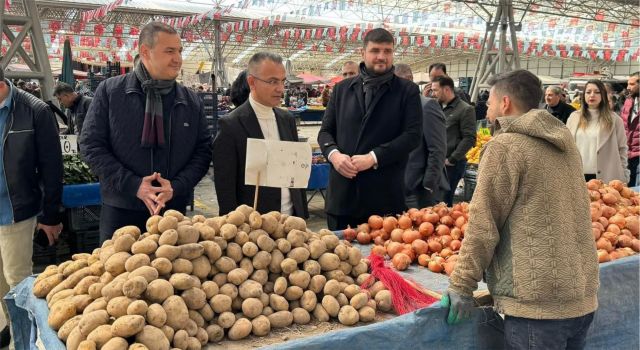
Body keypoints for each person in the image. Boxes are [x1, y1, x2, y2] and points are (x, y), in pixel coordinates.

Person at [443, 70, 599, 349]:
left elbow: (483, 223)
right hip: (581, 297)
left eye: (489, 102)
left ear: (505, 103)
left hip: (537, 307)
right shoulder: (565, 143)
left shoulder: (505, 146)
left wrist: (462, 285)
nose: (487, 110)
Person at [80, 22, 212, 243]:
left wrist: (176, 187)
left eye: (179, 51)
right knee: (118, 274)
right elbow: (91, 146)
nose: (178, 58)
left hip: (172, 213)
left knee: (172, 275)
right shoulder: (111, 92)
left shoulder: (190, 101)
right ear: (145, 52)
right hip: (121, 209)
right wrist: (134, 185)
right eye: (169, 51)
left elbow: (203, 151)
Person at [317, 28, 422, 230]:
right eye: (375, 50)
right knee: (338, 256)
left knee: (381, 258)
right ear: (363, 53)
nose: (381, 57)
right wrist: (334, 155)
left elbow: (412, 136)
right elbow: (325, 131)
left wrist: (373, 158)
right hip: (342, 196)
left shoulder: (406, 91)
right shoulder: (342, 89)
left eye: (387, 51)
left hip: (384, 198)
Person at [0, 69, 63, 347]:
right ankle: (14, 329)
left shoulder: (33, 110)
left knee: (18, 283)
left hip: (16, 211)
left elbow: (52, 167)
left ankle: (22, 342)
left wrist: (50, 215)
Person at [212, 52, 309, 218]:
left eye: (282, 81)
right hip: (254, 227)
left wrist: (301, 213)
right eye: (272, 81)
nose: (280, 88)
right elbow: (225, 187)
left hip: (291, 221)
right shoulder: (231, 125)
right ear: (252, 82)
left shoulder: (287, 119)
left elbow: (294, 172)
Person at [395, 64, 447, 208]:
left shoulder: (427, 106)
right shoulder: (398, 108)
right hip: (401, 187)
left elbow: (437, 149)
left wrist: (428, 185)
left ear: (410, 79)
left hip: (419, 189)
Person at [566, 80, 629, 183]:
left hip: (607, 176)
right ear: (584, 95)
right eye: (588, 92)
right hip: (577, 176)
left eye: (597, 92)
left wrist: (625, 175)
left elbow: (622, 149)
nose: (592, 95)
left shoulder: (615, 120)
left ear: (603, 95)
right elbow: (566, 146)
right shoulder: (574, 117)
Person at [431, 75, 476, 206]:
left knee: (443, 202)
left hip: (451, 165)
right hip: (435, 162)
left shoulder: (465, 109)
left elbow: (469, 138)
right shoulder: (435, 106)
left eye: (435, 90)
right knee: (432, 201)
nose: (433, 94)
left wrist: (452, 159)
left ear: (446, 89)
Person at [620, 72, 639, 186]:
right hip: (628, 153)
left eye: (631, 84)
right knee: (629, 189)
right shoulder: (628, 101)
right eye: (628, 84)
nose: (628, 87)